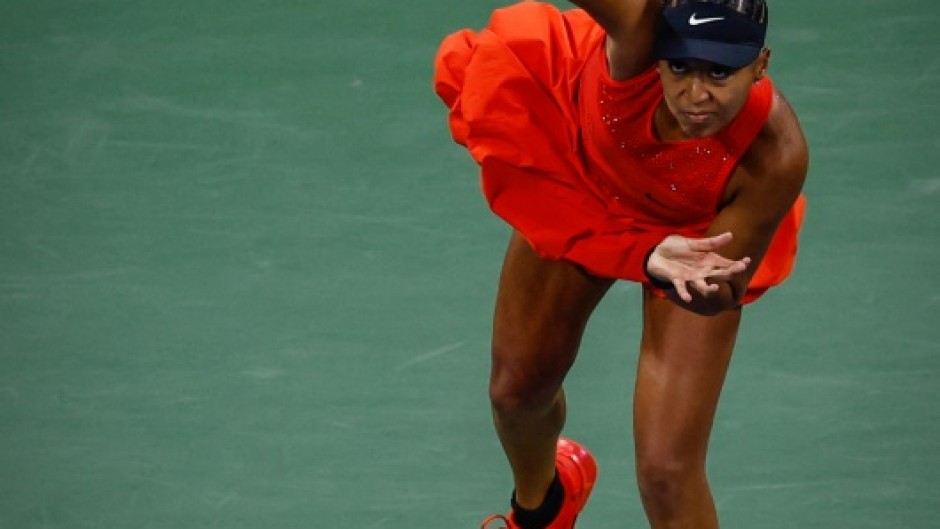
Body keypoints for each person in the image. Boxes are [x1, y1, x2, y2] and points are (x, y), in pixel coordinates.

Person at [433, 0, 808, 527]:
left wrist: (697, 279)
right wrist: (641, 254)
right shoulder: (637, 26)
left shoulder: (775, 155)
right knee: (516, 393)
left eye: (720, 72)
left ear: (760, 65)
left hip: (692, 244)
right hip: (587, 183)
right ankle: (545, 505)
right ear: (657, 51)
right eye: (679, 66)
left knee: (667, 470)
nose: (695, 96)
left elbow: (723, 289)